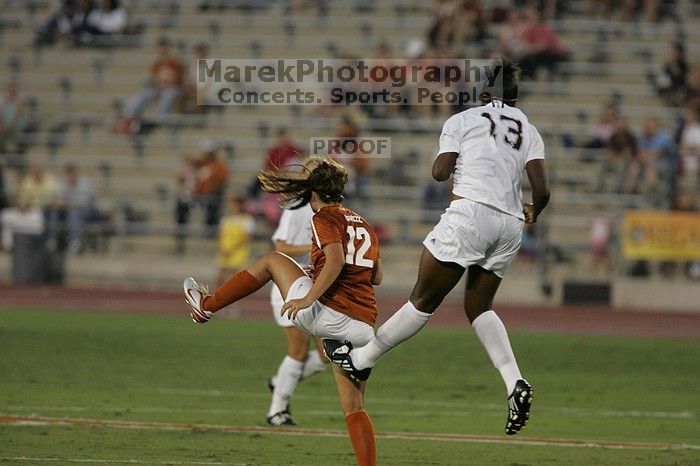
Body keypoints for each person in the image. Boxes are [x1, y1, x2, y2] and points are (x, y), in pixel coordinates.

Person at [323, 60, 550, 436]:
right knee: (478, 306)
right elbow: (542, 191)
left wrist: (453, 156)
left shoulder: (462, 120)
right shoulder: (529, 128)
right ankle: (514, 382)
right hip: (510, 224)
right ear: (514, 95)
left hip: (470, 215)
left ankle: (362, 360)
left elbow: (440, 172)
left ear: (482, 93)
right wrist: (534, 211)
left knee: (422, 300)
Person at [184, 158, 381, 466]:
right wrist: (316, 273)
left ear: (314, 193)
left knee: (272, 260)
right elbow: (375, 276)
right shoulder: (363, 222)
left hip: (329, 314)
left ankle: (206, 306)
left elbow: (336, 262)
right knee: (354, 408)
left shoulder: (322, 218)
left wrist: (308, 298)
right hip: (364, 328)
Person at [266, 159, 328, 426]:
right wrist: (315, 246)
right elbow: (280, 247)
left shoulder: (328, 209)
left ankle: (280, 381)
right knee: (298, 350)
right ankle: (277, 411)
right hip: (290, 285)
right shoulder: (297, 207)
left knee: (328, 354)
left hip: (315, 287)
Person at [216, 196, 254, 286]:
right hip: (225, 250)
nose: (232, 207)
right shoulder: (226, 219)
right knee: (220, 275)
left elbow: (246, 238)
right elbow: (221, 235)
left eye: (235, 204)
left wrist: (232, 249)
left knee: (234, 276)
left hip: (238, 251)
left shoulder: (247, 220)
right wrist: (222, 249)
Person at [195, 138, 229, 234]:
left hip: (212, 197)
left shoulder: (220, 165)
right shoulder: (199, 164)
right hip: (199, 196)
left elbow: (222, 181)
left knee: (212, 206)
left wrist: (210, 191)